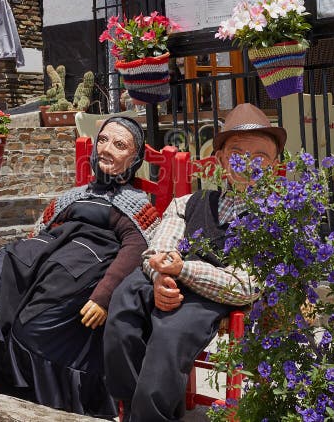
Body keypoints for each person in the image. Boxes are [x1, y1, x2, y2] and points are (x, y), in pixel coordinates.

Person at [0, 117, 161, 417]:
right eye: (103, 140)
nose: (107, 149)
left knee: (31, 326)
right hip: (40, 259)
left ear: (135, 158)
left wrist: (103, 296)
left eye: (119, 144)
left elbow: (137, 247)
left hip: (80, 271)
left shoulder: (136, 203)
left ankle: (36, 402)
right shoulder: (73, 195)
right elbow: (40, 230)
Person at [103, 103, 287, 422]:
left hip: (212, 295)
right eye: (237, 153)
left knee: (169, 335)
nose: (247, 164)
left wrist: (183, 270)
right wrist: (160, 274)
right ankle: (133, 406)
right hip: (170, 277)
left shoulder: (272, 221)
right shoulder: (190, 202)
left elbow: (245, 286)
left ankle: (150, 415)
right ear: (220, 161)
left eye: (260, 157)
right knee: (124, 303)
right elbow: (159, 246)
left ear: (275, 165)